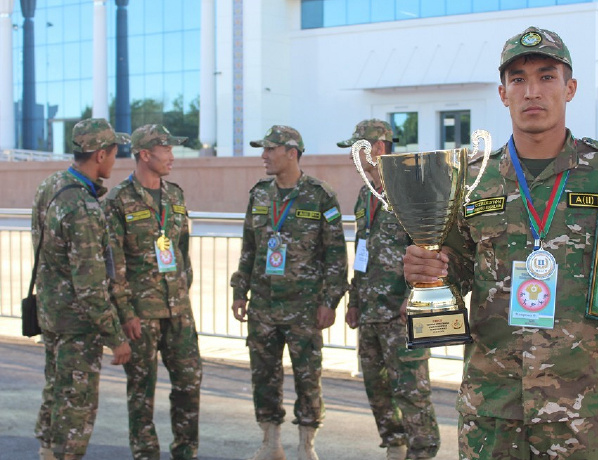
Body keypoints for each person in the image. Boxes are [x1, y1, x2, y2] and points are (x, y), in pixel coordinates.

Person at [403, 26, 598, 459]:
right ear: (503, 93)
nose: (531, 90)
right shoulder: (473, 178)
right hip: (491, 408)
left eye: (546, 76)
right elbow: (454, 270)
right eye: (518, 79)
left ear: (570, 88)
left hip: (575, 409)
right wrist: (428, 279)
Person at [230, 125, 348, 460]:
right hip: (263, 306)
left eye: (270, 149)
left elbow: (335, 254)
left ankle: (306, 445)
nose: (264, 156)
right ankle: (270, 443)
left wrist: (330, 301)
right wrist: (240, 291)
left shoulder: (320, 195)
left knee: (308, 377)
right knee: (263, 375)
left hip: (304, 307)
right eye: (263, 149)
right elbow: (249, 248)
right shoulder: (260, 194)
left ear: (292, 152)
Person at [338, 119, 440, 460]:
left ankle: (422, 452)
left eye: (358, 149)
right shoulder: (366, 195)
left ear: (379, 148)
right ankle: (395, 449)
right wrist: (354, 299)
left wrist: (415, 298)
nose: (353, 156)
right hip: (369, 310)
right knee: (376, 387)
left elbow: (430, 249)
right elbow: (361, 250)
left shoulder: (412, 189)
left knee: (411, 390)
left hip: (401, 312)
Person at [33, 118, 132, 460]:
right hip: (77, 324)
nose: (115, 161)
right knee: (76, 406)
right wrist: (115, 336)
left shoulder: (50, 186)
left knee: (56, 391)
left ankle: (47, 453)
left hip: (51, 314)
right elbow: (90, 286)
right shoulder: (83, 207)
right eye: (114, 153)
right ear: (100, 154)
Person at [104, 124, 202, 460]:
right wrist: (125, 312)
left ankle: (185, 451)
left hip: (179, 311)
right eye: (167, 150)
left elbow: (182, 249)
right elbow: (113, 263)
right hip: (141, 315)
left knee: (189, 384)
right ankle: (146, 453)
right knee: (142, 393)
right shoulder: (119, 200)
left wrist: (184, 288)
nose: (172, 156)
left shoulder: (175, 195)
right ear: (146, 154)